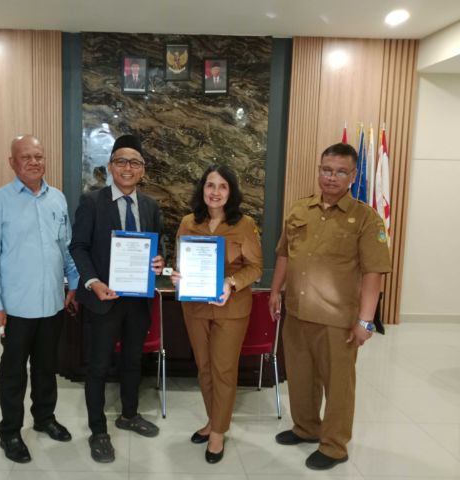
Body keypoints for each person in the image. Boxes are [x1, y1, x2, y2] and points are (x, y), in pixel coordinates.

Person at [269, 143, 391, 470]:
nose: (331, 177)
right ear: (319, 170)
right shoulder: (299, 210)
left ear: (353, 176)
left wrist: (365, 322)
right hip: (296, 312)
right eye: (326, 169)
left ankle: (335, 445)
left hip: (337, 321)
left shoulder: (365, 218)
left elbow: (373, 273)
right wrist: (275, 291)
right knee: (300, 376)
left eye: (340, 172)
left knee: (338, 385)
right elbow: (284, 253)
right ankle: (306, 427)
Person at [0, 135, 79, 464]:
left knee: (46, 367)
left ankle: (45, 418)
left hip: (52, 303)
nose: (34, 162)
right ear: (12, 162)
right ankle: (9, 431)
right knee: (13, 372)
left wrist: (75, 284)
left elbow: (66, 248)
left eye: (39, 156)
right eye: (26, 157)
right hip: (16, 308)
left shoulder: (58, 200)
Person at [70, 134, 165, 463]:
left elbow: (159, 249)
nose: (128, 168)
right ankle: (98, 431)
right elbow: (78, 247)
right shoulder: (91, 202)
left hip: (138, 302)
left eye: (135, 163)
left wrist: (160, 261)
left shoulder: (151, 206)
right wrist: (93, 282)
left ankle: (129, 415)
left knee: (133, 362)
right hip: (102, 299)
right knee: (97, 367)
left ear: (142, 170)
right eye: (121, 161)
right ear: (110, 167)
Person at [171, 164, 263, 464]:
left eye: (223, 186)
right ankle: (214, 420)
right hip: (195, 307)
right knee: (205, 368)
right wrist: (176, 276)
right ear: (202, 189)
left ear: (231, 192)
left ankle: (218, 434)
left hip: (231, 308)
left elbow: (255, 267)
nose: (215, 192)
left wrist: (231, 282)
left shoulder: (245, 224)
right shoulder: (187, 222)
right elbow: (179, 264)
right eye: (210, 185)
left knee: (223, 370)